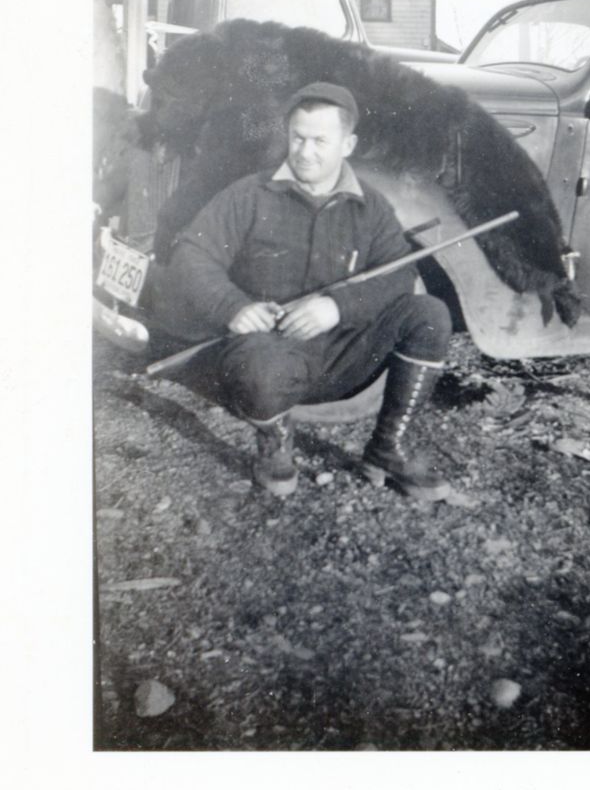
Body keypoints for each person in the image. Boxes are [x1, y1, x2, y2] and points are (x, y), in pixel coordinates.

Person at [158, 82, 453, 501]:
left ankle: (389, 447)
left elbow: (398, 275)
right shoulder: (249, 194)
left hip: (345, 353)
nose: (305, 151)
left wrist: (338, 306)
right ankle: (276, 443)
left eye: (320, 140)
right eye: (297, 137)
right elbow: (191, 255)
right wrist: (233, 307)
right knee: (261, 367)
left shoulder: (371, 207)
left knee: (430, 314)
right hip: (268, 354)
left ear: (347, 144)